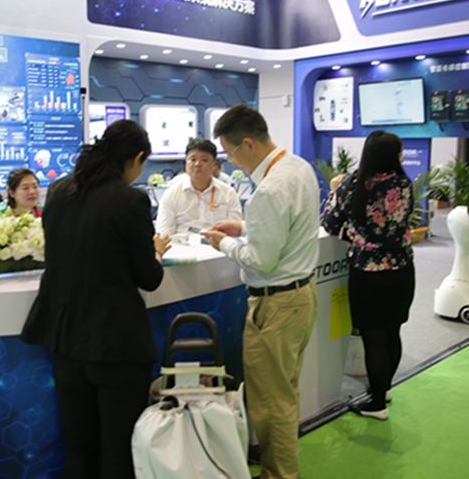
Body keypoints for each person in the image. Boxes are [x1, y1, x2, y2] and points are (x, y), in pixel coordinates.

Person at [21, 120, 171, 478]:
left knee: (79, 447)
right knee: (119, 451)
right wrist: (156, 253)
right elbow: (148, 278)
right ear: (136, 158)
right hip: (115, 345)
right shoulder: (130, 199)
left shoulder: (60, 190)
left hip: (64, 340)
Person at [202, 105, 319, 479]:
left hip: (276, 305)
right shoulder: (297, 167)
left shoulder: (269, 189)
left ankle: (279, 474)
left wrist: (223, 243)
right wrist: (244, 227)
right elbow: (288, 230)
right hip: (301, 297)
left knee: (271, 404)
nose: (231, 164)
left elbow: (261, 261)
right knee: (284, 394)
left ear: (248, 144)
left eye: (230, 154)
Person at [321, 131, 415, 420]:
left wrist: (352, 233)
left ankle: (376, 403)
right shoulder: (403, 183)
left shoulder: (353, 184)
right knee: (393, 332)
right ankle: (383, 389)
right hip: (401, 269)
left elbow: (329, 221)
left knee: (374, 338)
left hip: (368, 272)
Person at [155, 138, 242, 235]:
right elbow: (164, 233)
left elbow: (236, 232)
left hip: (217, 243)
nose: (197, 164)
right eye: (193, 159)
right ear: (186, 163)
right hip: (181, 243)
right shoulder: (172, 194)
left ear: (214, 164)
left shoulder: (228, 194)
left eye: (204, 160)